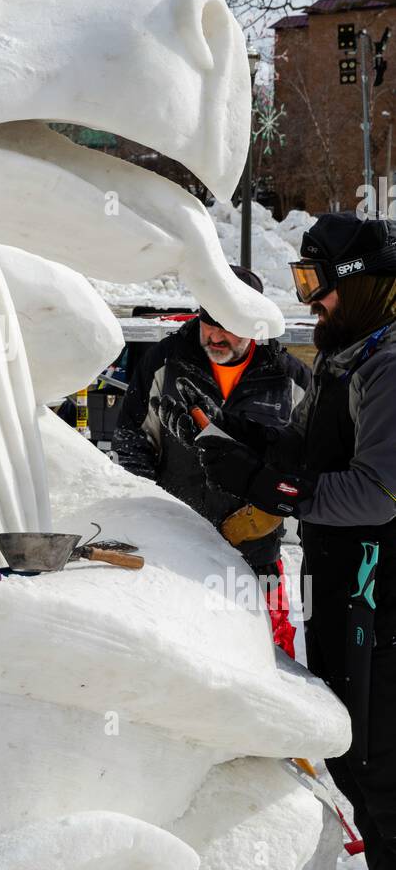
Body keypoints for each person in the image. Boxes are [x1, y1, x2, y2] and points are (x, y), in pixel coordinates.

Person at [162, 213, 396, 870]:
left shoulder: (387, 364)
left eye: (314, 283)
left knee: (375, 751)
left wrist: (279, 489)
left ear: (356, 286)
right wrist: (248, 449)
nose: (310, 300)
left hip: (376, 581)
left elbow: (377, 493)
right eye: (300, 282)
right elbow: (306, 448)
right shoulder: (343, 357)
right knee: (349, 744)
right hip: (337, 575)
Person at [112, 265, 309, 656]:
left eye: (228, 326)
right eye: (208, 321)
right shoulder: (166, 362)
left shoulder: (291, 379)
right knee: (176, 651)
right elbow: (131, 442)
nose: (215, 335)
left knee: (269, 656)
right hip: (176, 549)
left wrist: (272, 506)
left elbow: (309, 461)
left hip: (256, 551)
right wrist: (158, 518)